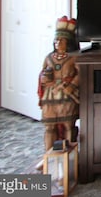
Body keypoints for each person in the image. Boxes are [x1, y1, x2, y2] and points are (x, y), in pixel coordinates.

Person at [38, 16, 80, 151]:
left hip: (67, 94)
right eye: (56, 40)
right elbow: (43, 72)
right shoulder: (49, 58)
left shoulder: (73, 58)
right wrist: (44, 78)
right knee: (49, 126)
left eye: (62, 40)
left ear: (69, 42)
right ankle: (48, 156)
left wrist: (72, 85)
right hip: (51, 96)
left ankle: (70, 156)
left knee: (69, 124)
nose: (58, 42)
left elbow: (81, 74)